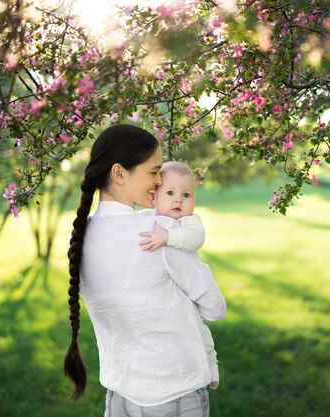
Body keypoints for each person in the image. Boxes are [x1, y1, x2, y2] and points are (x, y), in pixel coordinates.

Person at [64, 124, 226, 417]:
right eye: (153, 172)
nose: (159, 181)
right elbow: (214, 308)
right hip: (175, 393)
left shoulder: (81, 238)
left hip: (120, 397)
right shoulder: (158, 230)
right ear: (119, 173)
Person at [137, 161, 220, 390]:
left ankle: (210, 366)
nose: (178, 200)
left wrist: (168, 237)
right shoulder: (146, 216)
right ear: (154, 196)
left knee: (201, 331)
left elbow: (196, 239)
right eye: (170, 193)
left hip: (190, 287)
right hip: (167, 290)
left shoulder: (190, 222)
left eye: (186, 195)